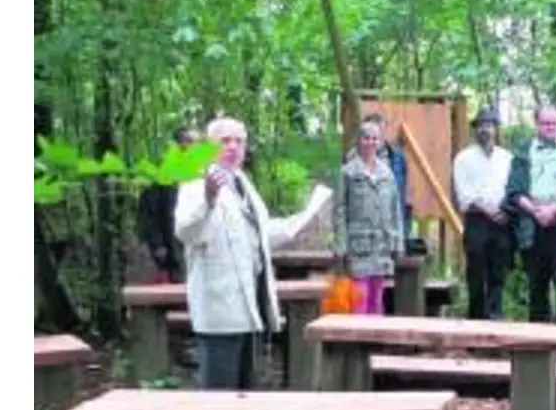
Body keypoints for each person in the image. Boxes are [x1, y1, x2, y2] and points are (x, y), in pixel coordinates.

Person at [174, 116, 315, 390]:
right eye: (225, 140)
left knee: (245, 396)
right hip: (219, 310)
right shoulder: (195, 181)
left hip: (251, 308)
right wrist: (209, 199)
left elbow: (258, 234)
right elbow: (186, 232)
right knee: (219, 401)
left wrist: (297, 225)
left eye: (239, 141)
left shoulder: (242, 183)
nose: (233, 147)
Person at [505, 105, 556, 330]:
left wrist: (554, 210)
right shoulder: (522, 151)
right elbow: (513, 191)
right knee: (536, 284)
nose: (551, 127)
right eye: (546, 123)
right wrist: (536, 211)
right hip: (532, 225)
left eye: (555, 123)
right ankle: (538, 340)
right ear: (537, 125)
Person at [335, 121, 404, 315]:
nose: (370, 142)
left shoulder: (387, 174)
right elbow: (340, 211)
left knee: (377, 300)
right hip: (358, 246)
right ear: (359, 141)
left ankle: (375, 342)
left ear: (380, 142)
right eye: (366, 137)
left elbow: (395, 209)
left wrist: (398, 244)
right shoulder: (348, 172)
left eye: (375, 138)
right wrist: (341, 246)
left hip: (382, 245)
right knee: (360, 299)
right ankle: (358, 342)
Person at [452, 108, 514, 320]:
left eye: (489, 125)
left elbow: (512, 189)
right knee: (476, 271)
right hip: (477, 220)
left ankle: (495, 315)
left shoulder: (507, 158)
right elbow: (464, 195)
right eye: (481, 126)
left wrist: (504, 210)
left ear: (496, 129)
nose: (485, 130)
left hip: (502, 221)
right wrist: (488, 210)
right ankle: (476, 317)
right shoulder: (463, 158)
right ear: (475, 130)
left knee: (498, 271)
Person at [138, 127, 200, 283]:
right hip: (171, 249)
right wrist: (157, 244)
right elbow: (148, 212)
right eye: (190, 141)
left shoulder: (200, 173)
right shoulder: (162, 175)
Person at [364, 112, 413, 247]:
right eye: (371, 134)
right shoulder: (352, 160)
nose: (376, 138)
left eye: (380, 133)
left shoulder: (397, 158)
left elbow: (404, 195)